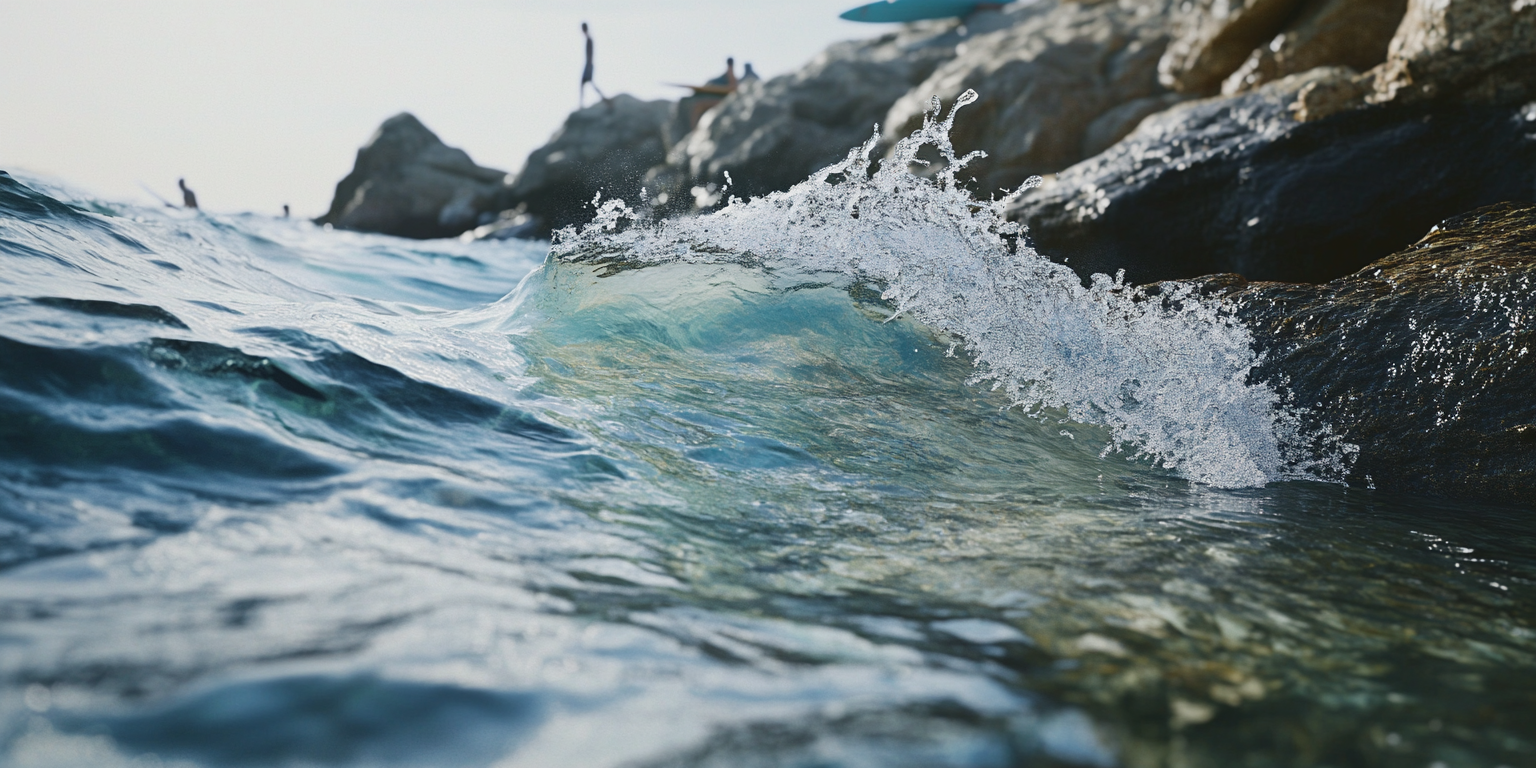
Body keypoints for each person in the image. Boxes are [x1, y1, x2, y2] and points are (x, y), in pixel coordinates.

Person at [579, 22, 607, 108]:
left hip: (589, 65)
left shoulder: (589, 39)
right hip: (589, 64)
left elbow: (590, 54)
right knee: (587, 83)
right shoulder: (588, 39)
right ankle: (604, 99)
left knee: (585, 83)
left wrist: (589, 65)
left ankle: (604, 99)